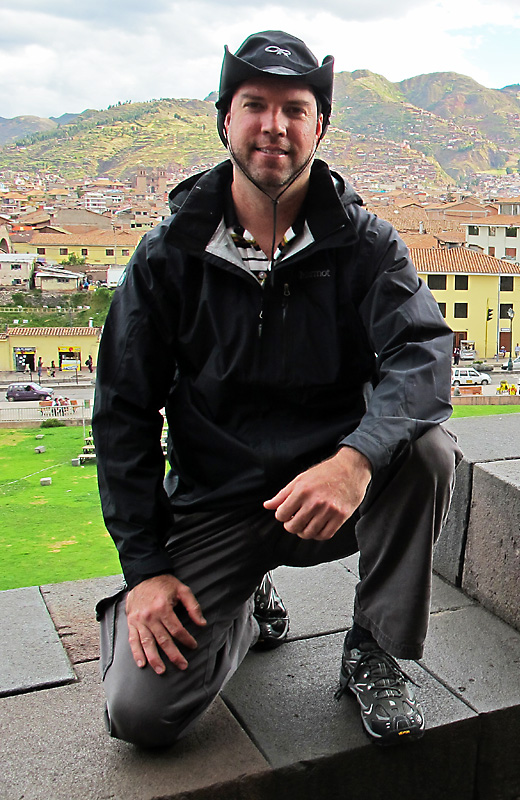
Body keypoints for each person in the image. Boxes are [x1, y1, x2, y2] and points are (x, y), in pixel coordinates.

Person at [93, 30, 461, 749]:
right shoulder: (169, 256)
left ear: (317, 127)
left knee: (424, 451)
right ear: (224, 119)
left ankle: (374, 647)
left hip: (332, 493)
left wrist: (355, 459)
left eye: (294, 109)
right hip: (215, 502)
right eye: (254, 104)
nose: (274, 126)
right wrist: (144, 572)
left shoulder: (364, 245)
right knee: (141, 716)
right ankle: (242, 602)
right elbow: (122, 413)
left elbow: (421, 353)